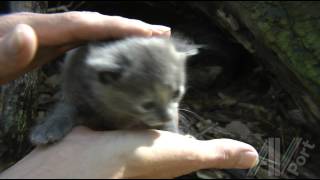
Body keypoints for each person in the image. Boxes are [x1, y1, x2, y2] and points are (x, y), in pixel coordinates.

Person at [0, 11, 259, 178]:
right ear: (106, 78)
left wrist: (177, 142)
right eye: (149, 104)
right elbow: (72, 100)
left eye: (176, 94)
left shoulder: (168, 68)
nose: (169, 111)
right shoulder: (90, 72)